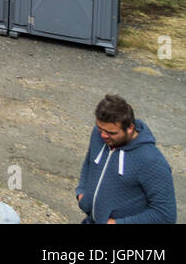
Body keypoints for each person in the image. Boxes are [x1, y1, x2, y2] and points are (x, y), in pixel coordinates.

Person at [75, 94, 176, 224]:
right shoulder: (98, 134)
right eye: (100, 129)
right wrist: (81, 193)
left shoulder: (151, 160)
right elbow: (89, 164)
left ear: (130, 128)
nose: (104, 135)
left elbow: (165, 216)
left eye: (112, 133)